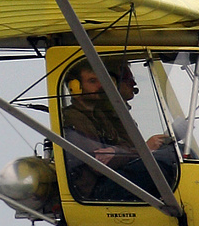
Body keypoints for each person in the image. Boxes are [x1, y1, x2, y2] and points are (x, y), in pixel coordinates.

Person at [61, 58, 177, 202]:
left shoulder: (99, 115)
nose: (100, 85)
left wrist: (117, 152)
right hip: (95, 190)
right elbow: (99, 163)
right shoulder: (73, 118)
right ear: (75, 87)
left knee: (174, 156)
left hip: (109, 180)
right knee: (164, 163)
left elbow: (124, 147)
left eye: (101, 80)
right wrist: (143, 150)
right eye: (92, 81)